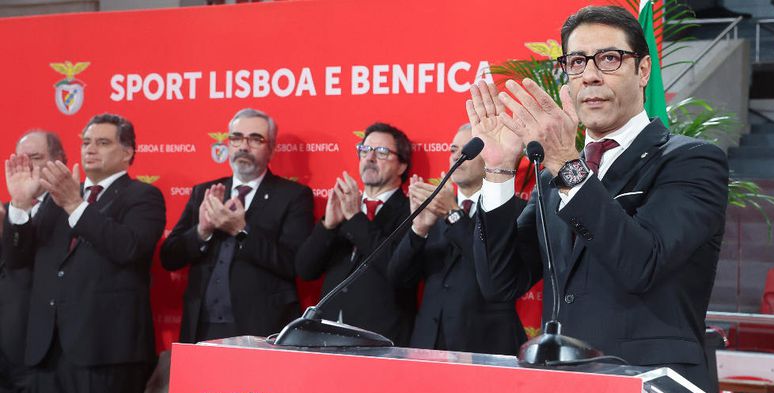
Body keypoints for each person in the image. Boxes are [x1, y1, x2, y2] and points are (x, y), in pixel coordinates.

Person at [466, 6, 733, 393]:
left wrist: (566, 168)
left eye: (608, 59)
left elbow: (643, 263)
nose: (589, 74)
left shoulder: (691, 162)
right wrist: (495, 173)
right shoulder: (560, 174)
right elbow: (500, 282)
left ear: (641, 71)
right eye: (576, 62)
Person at [3, 113, 165, 393]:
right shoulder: (53, 202)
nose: (89, 149)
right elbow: (18, 261)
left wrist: (77, 203)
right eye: (86, 141)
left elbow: (128, 249)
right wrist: (18, 208)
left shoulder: (143, 197)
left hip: (105, 355)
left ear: (128, 152)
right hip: (49, 350)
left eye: (102, 143)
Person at [160, 108, 314, 343]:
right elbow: (169, 257)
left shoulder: (293, 196)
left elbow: (294, 264)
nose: (244, 146)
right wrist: (202, 232)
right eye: (236, 138)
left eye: (255, 139)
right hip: (202, 326)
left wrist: (241, 231)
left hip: (260, 327)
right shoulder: (205, 192)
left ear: (271, 149)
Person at [387, 124, 526, 354]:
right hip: (428, 344)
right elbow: (398, 278)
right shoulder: (432, 209)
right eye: (453, 150)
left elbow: (497, 272)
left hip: (486, 345)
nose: (456, 157)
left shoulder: (514, 211)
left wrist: (454, 215)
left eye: (467, 151)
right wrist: (418, 229)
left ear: (490, 157)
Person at [0, 130, 65, 393]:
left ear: (58, 160)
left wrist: (22, 208)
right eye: (19, 158)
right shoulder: (9, 212)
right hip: (4, 344)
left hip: (42, 344)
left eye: (36, 157)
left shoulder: (67, 211)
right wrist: (15, 209)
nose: (26, 166)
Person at [296, 122, 416, 345]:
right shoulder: (344, 206)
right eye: (365, 150)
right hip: (327, 334)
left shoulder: (413, 211)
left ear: (402, 166)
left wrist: (355, 218)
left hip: (381, 337)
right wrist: (328, 226)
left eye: (382, 152)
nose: (370, 158)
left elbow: (397, 268)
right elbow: (305, 269)